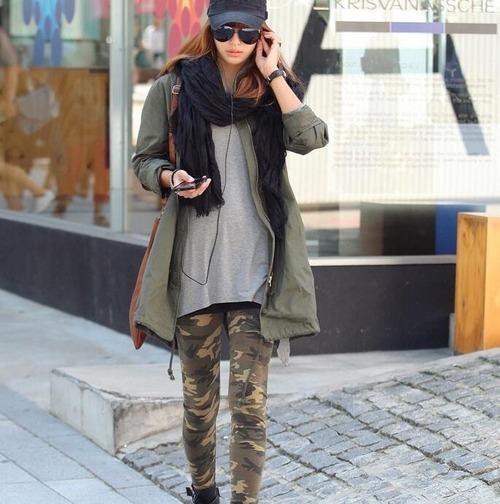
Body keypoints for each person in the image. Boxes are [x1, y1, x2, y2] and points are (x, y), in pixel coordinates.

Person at [131, 0, 329, 502]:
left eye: (246, 31)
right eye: (225, 31)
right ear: (211, 29)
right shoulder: (174, 88)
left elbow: (311, 138)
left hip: (256, 273)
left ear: (263, 34)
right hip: (194, 273)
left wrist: (275, 72)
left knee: (249, 407)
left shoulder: (272, 90)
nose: (235, 41)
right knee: (199, 408)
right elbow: (143, 160)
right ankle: (204, 491)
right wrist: (170, 177)